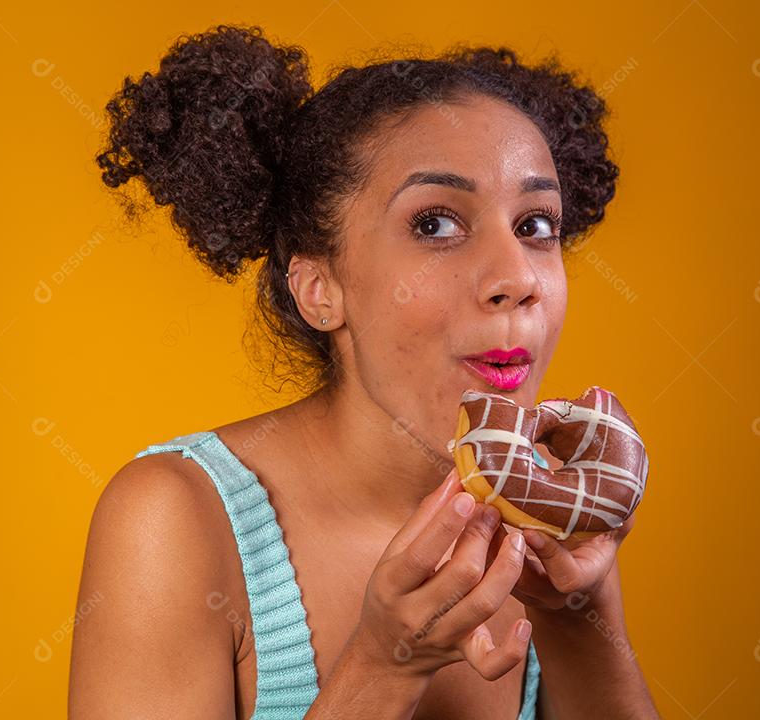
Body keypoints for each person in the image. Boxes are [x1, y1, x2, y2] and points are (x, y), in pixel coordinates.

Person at [69, 23, 659, 719]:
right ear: (321, 289)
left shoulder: (549, 521)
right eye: (436, 223)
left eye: (535, 225)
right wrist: (381, 668)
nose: (517, 278)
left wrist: (577, 616)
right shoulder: (172, 519)